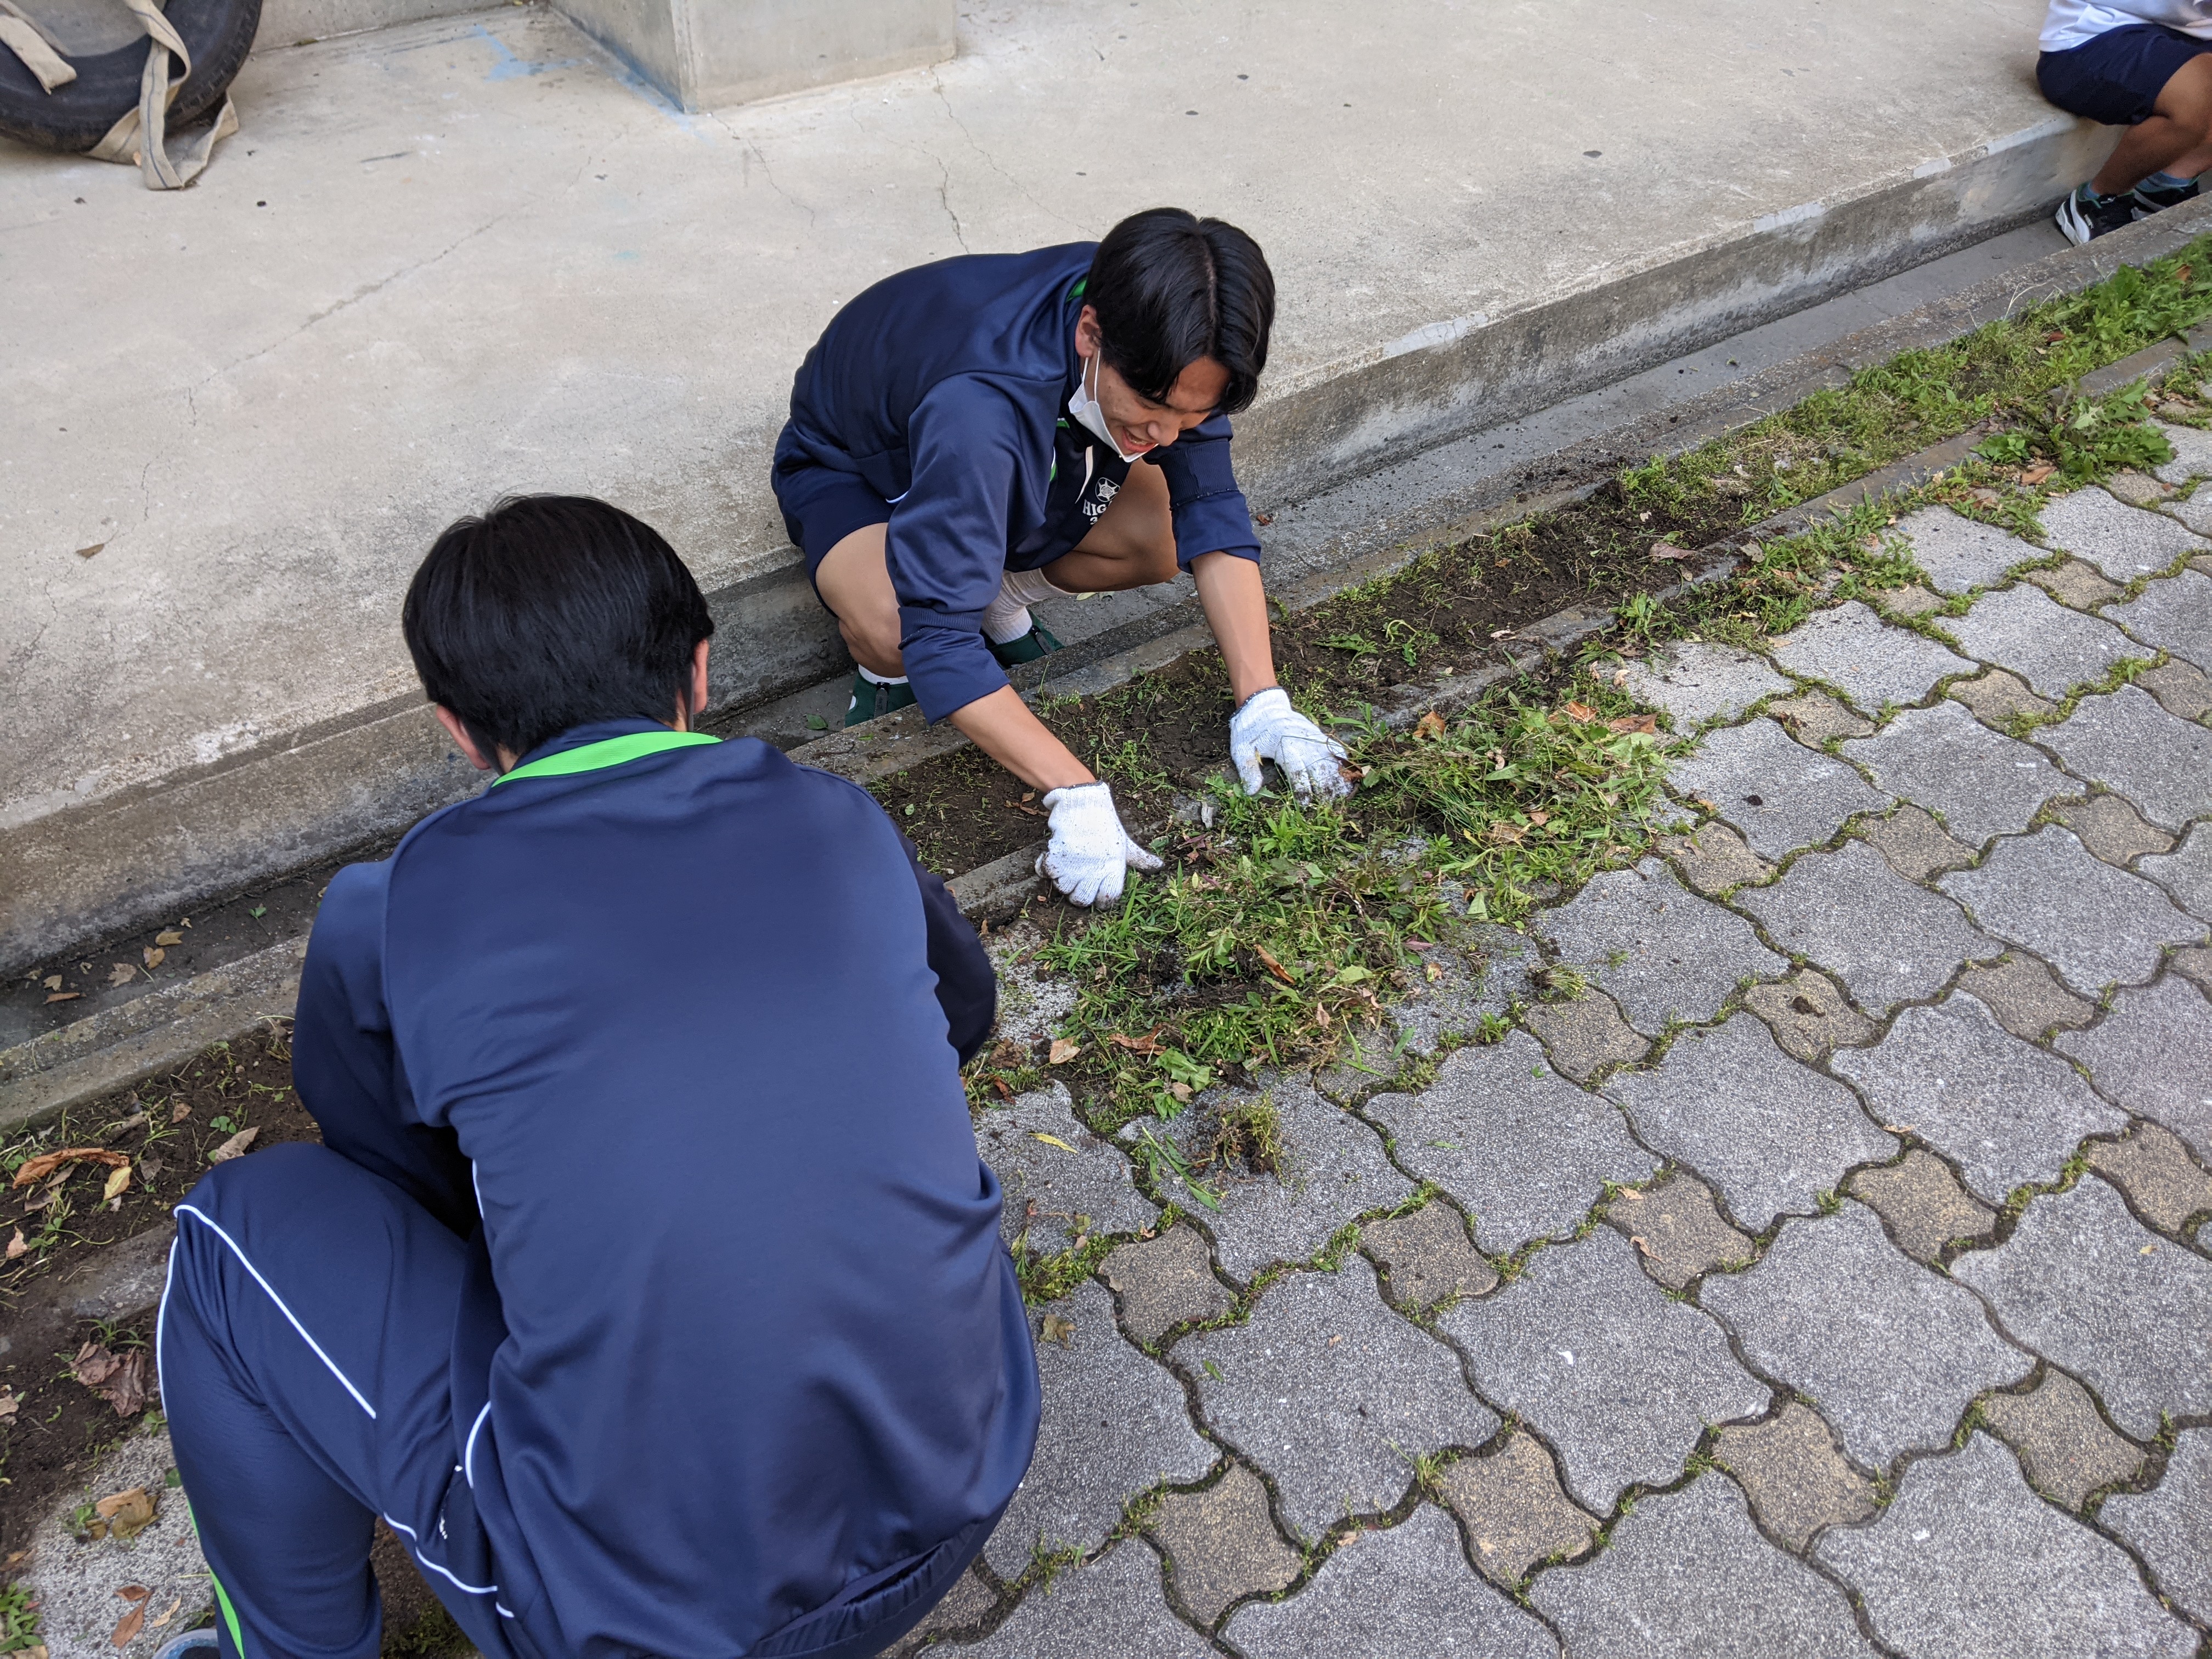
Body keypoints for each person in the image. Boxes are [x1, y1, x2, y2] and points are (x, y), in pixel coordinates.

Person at [155, 496, 1038, 1659]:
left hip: (646, 1621)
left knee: (231, 1240)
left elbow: (382, 1169)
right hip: (962, 1492)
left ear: (458, 732)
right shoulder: (837, 818)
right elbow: (961, 1015)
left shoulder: (394, 908)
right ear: (704, 672)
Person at [773, 206, 1351, 909]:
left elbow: (1213, 513)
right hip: (860, 467)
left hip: (1013, 438)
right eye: (1154, 408)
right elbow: (939, 639)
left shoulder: (1175, 329)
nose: (1167, 436)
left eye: (1191, 419)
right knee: (899, 624)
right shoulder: (980, 407)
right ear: (1090, 335)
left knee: (1164, 533)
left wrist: (1263, 701)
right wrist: (1074, 791)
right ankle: (883, 662)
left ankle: (996, 590)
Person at [2040, 0, 2212, 241]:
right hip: (2093, 37)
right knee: (2199, 95)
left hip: (2183, 31)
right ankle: (2097, 200)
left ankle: (2167, 183)